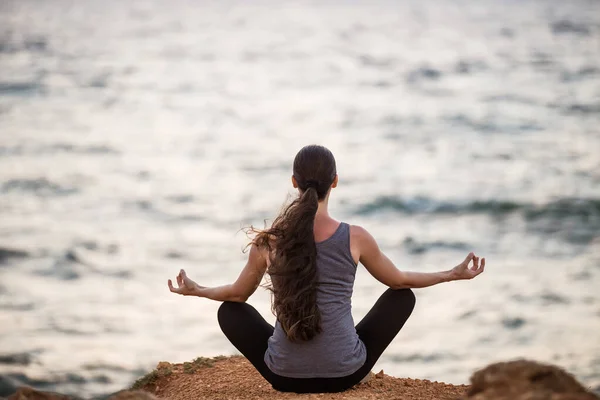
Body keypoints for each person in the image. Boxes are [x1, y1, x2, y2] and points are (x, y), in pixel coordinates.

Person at [167, 144, 485, 393]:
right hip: (346, 374)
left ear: (294, 182)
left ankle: (297, 358)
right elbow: (399, 281)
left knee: (229, 311)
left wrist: (197, 290)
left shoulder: (270, 242)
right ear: (335, 181)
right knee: (402, 297)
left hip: (284, 377)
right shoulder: (355, 237)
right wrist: (452, 274)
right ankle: (338, 352)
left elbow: (237, 295)